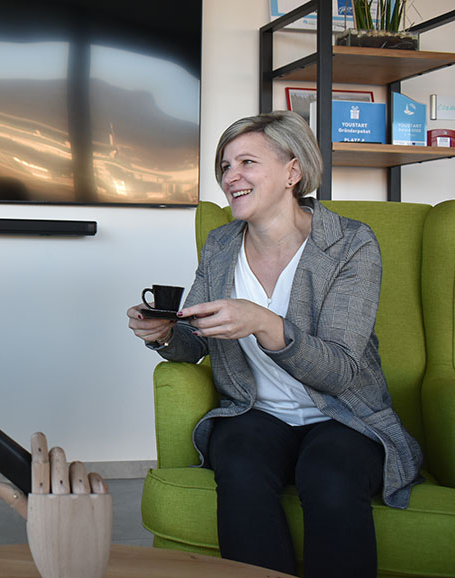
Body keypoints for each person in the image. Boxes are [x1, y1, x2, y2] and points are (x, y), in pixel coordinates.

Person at [127, 111, 422, 577]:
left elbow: (341, 370)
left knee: (328, 476)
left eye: (247, 162)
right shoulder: (221, 244)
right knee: (239, 463)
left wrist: (265, 324)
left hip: (341, 414)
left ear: (293, 171)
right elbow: (196, 339)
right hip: (253, 412)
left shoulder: (350, 244)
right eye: (225, 166)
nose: (231, 177)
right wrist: (164, 336)